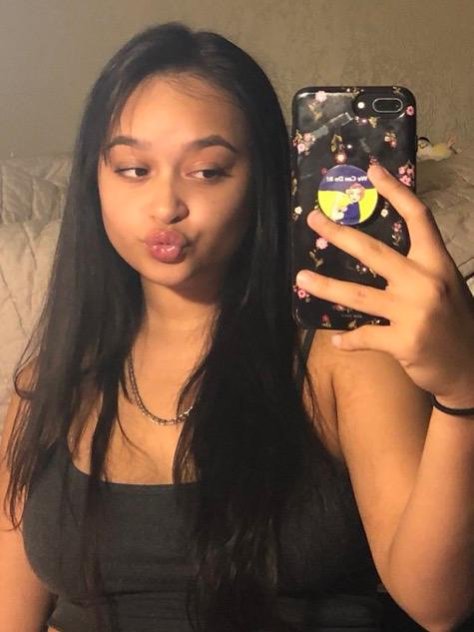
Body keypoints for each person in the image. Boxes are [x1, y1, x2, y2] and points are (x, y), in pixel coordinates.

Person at [0, 22, 473, 632]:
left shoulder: (343, 350)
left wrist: (463, 389)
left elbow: (437, 605)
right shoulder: (52, 379)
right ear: (95, 180)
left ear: (264, 182)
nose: (165, 205)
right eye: (133, 169)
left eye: (207, 171)